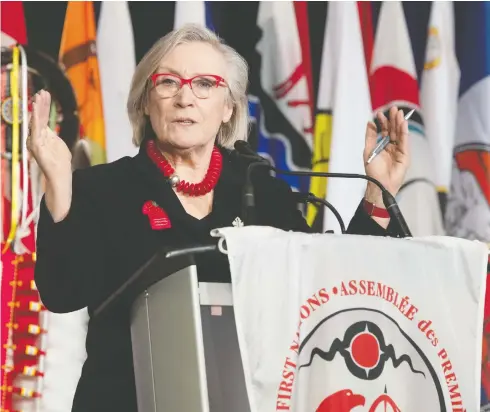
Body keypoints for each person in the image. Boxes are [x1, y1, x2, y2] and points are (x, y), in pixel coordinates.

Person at [29, 24, 409, 412]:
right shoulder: (103, 188)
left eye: (205, 84)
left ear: (228, 107)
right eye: (168, 82)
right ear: (145, 100)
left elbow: (327, 289)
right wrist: (59, 188)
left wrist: (377, 192)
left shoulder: (261, 189)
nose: (185, 98)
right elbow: (62, 293)